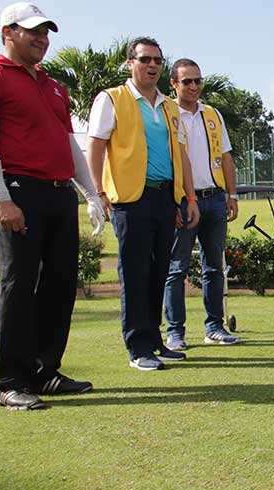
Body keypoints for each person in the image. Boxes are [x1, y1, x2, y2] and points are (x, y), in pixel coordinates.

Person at [0, 2, 106, 410]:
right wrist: (1, 198)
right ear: (7, 34)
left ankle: (44, 370)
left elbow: (70, 143)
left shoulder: (53, 86)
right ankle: (11, 380)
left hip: (57, 193)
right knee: (18, 285)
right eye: (32, 31)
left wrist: (90, 194)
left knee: (59, 284)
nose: (41, 39)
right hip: (19, 191)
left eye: (46, 32)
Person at [85, 37, 200, 371]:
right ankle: (137, 347)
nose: (152, 66)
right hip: (130, 199)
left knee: (158, 271)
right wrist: (98, 193)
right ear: (129, 63)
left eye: (158, 61)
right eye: (145, 59)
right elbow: (95, 147)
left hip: (165, 198)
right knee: (135, 273)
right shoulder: (112, 99)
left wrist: (188, 197)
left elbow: (182, 155)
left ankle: (154, 340)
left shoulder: (168, 105)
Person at [163, 58, 240, 350]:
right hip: (182, 201)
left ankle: (214, 327)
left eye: (198, 80)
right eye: (187, 81)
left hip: (215, 199)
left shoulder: (212, 114)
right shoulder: (167, 113)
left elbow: (227, 156)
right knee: (177, 268)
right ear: (174, 84)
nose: (194, 86)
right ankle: (175, 332)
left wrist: (231, 195)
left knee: (213, 268)